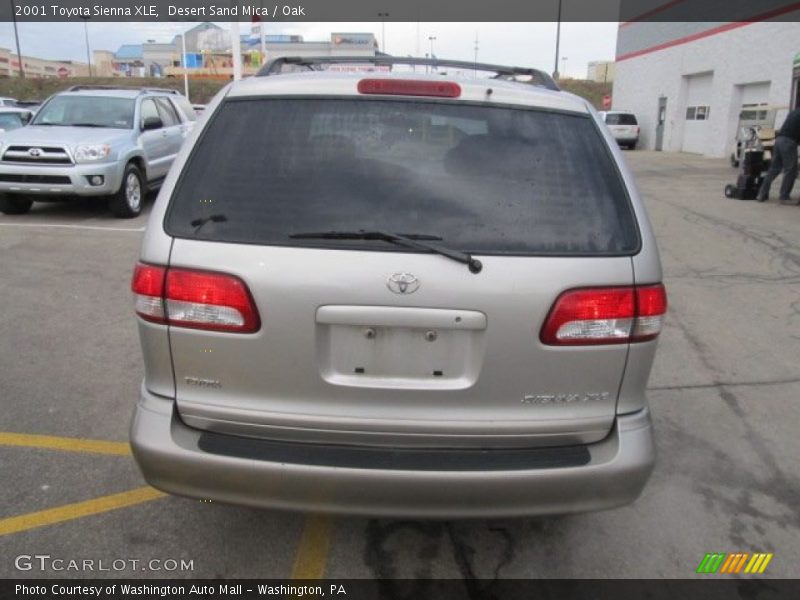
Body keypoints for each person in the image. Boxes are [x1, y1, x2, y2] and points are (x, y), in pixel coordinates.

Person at [757, 107, 800, 204]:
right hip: (789, 142)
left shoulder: (794, 112)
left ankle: (761, 194)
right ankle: (784, 197)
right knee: (791, 170)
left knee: (774, 169)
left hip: (779, 140)